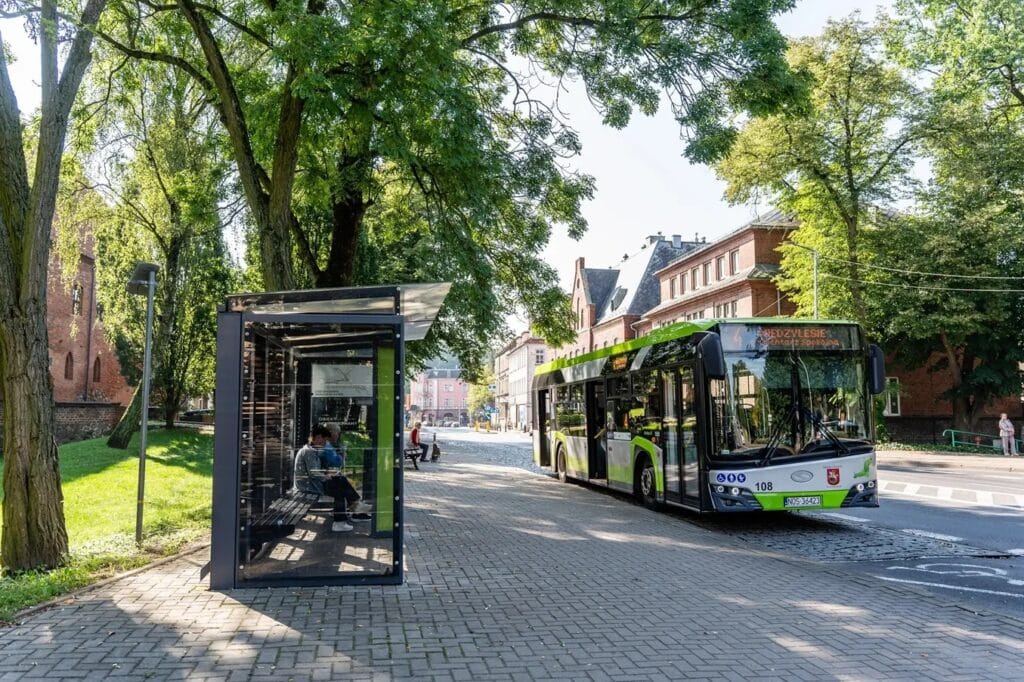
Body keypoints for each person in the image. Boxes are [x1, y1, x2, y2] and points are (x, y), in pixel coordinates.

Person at [293, 425, 371, 532]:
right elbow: (313, 474)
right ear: (316, 438)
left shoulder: (312, 449)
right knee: (339, 489)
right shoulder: (308, 452)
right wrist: (327, 475)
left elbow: (315, 471)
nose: (325, 443)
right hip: (308, 486)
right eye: (324, 440)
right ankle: (349, 514)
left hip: (312, 483)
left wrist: (328, 473)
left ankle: (354, 509)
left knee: (340, 480)